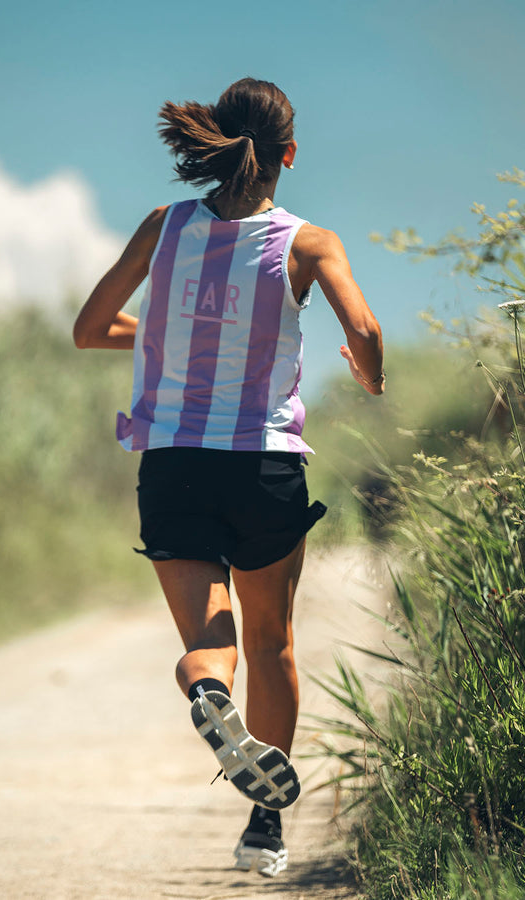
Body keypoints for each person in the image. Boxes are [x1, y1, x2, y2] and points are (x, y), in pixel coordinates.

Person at [73, 77, 384, 878]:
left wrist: (169, 336)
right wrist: (370, 374)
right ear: (289, 153)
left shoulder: (164, 226)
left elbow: (90, 329)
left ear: (216, 138)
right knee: (272, 641)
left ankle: (209, 696)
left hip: (173, 461)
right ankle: (264, 829)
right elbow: (364, 328)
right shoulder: (309, 244)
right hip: (263, 466)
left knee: (210, 644)